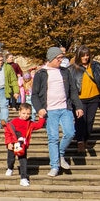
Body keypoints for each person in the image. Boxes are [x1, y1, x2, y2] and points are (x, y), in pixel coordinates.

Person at [31, 47, 79, 176]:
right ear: (51, 58)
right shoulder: (41, 74)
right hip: (50, 111)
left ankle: (60, 153)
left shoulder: (65, 72)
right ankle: (54, 166)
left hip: (65, 108)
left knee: (70, 133)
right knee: (53, 138)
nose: (61, 60)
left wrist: (78, 106)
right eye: (58, 58)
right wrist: (39, 108)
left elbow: (73, 90)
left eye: (61, 58)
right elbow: (34, 94)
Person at [69, 45, 100, 154]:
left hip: (94, 98)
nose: (85, 57)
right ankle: (80, 141)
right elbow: (70, 86)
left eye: (87, 55)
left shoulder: (96, 66)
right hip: (79, 99)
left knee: (90, 121)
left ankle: (86, 139)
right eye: (83, 56)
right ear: (79, 56)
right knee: (80, 120)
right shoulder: (72, 68)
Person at [4, 103, 46, 187]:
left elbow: (38, 125)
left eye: (28, 114)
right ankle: (10, 168)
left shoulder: (30, 123)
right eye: (23, 113)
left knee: (23, 161)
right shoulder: (13, 122)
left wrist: (41, 117)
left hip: (22, 145)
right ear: (19, 112)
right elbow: (7, 132)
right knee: (11, 159)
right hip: (13, 143)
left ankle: (23, 178)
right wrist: (8, 143)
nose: (26, 115)